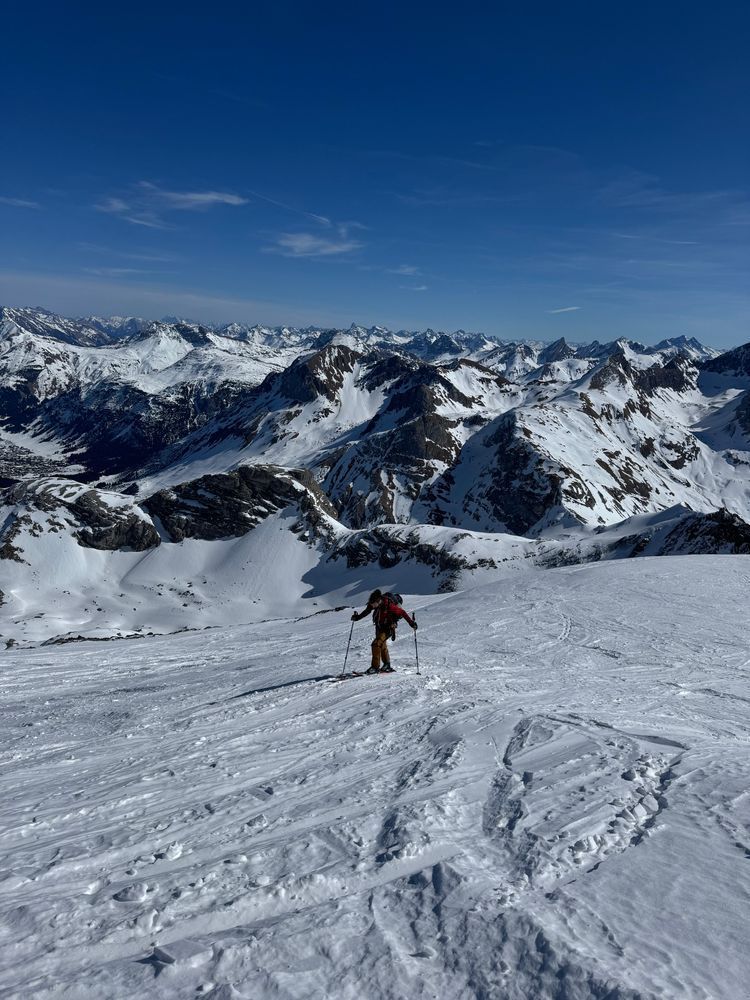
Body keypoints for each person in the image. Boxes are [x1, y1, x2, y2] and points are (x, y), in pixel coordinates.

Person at [351, 589, 417, 674]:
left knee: (376, 643)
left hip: (388, 627)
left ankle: (375, 667)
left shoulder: (389, 606)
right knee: (382, 645)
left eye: (373, 604)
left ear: (378, 601)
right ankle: (387, 665)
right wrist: (357, 618)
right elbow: (367, 611)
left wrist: (412, 624)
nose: (371, 606)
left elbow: (402, 612)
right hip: (379, 626)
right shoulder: (375, 603)